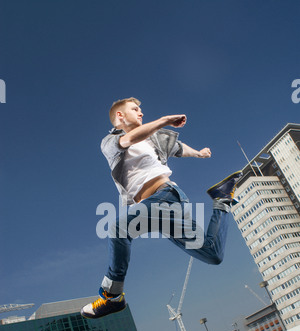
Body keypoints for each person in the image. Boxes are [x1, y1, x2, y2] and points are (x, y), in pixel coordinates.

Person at [81, 97, 242, 319]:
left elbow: (177, 147)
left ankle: (112, 296)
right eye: (135, 109)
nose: (141, 113)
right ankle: (222, 199)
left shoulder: (153, 137)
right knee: (213, 254)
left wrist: (199, 153)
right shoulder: (110, 141)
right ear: (120, 116)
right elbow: (129, 139)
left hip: (165, 197)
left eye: (141, 110)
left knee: (119, 229)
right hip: (158, 212)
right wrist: (165, 120)